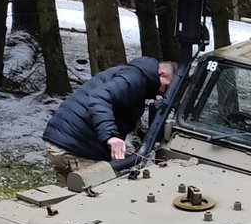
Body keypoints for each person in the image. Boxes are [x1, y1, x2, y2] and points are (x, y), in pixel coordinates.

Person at [43, 57, 175, 186]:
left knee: (71, 198)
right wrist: (111, 136)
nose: (163, 93)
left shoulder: (133, 76)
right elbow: (99, 97)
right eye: (167, 87)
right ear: (161, 73)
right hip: (75, 147)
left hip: (65, 141)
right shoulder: (134, 78)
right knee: (98, 195)